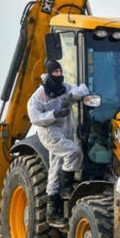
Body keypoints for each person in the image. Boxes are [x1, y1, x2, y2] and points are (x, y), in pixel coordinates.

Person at [27, 60, 89, 223]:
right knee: (73, 152)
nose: (58, 75)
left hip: (65, 132)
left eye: (60, 72)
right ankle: (66, 187)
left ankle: (53, 212)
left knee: (54, 169)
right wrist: (54, 114)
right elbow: (35, 117)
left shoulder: (65, 88)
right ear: (48, 74)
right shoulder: (39, 95)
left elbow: (82, 89)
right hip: (50, 134)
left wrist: (73, 96)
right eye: (55, 73)